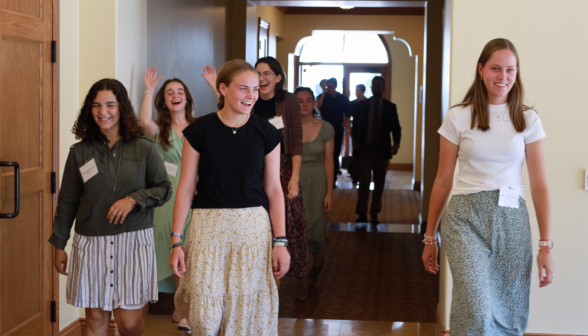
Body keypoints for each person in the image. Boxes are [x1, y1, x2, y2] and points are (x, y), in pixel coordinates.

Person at [421, 38, 554, 335]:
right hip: (464, 217)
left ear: (516, 73)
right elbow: (443, 179)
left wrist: (546, 244)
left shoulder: (528, 120)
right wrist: (430, 237)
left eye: (509, 70)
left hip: (511, 220)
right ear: (481, 70)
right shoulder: (458, 116)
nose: (502, 77)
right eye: (495, 68)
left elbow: (540, 186)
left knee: (508, 307)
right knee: (476, 307)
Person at [170, 59, 290, 335]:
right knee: (205, 315)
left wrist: (280, 241)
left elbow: (274, 189)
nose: (251, 96)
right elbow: (186, 187)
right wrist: (176, 240)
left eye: (255, 89)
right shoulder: (199, 131)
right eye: (243, 89)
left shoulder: (267, 133)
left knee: (245, 314)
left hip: (252, 230)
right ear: (222, 89)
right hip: (207, 228)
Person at [50, 78, 172, 336]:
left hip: (134, 240)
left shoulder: (145, 147)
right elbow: (67, 201)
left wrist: (133, 199)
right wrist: (59, 244)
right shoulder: (80, 152)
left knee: (128, 323)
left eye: (110, 104)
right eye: (96, 105)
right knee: (94, 321)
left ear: (122, 108)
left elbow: (163, 188)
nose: (102, 111)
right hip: (91, 242)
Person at [202, 58, 307, 287]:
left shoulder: (287, 101)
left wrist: (294, 177)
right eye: (258, 73)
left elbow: (296, 140)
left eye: (267, 73)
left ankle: (278, 282)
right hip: (250, 167)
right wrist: (215, 85)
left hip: (280, 167)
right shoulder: (247, 98)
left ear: (278, 78)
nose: (261, 78)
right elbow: (230, 108)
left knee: (284, 224)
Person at [139, 67, 195, 332]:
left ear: (187, 98)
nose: (175, 95)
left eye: (180, 91)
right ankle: (180, 305)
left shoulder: (199, 127)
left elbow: (224, 119)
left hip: (195, 196)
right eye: (170, 92)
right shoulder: (159, 130)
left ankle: (186, 306)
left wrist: (214, 86)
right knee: (172, 249)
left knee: (193, 251)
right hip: (166, 197)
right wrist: (149, 88)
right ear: (164, 100)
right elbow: (142, 121)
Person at [295, 87, 335, 298]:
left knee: (317, 232)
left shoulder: (326, 128)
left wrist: (329, 192)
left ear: (314, 103)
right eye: (300, 101)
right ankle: (301, 277)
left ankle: (317, 264)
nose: (304, 104)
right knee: (298, 231)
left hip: (318, 181)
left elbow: (329, 162)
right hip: (296, 181)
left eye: (308, 100)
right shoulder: (288, 129)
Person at [352, 76, 401, 224]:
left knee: (379, 183)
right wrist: (354, 140)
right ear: (371, 88)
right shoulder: (362, 105)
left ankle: (374, 212)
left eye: (379, 85)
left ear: (384, 88)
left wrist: (396, 143)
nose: (377, 88)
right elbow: (356, 125)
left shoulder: (390, 107)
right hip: (365, 148)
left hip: (382, 149)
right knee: (364, 181)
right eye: (374, 86)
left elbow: (396, 127)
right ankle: (361, 213)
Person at [316, 77, 351, 187]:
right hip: (323, 129)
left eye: (331, 87)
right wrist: (323, 92)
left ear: (335, 86)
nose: (329, 89)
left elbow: (348, 113)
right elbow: (318, 107)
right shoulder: (323, 97)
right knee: (323, 153)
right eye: (327, 87)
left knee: (335, 154)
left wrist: (345, 122)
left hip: (337, 129)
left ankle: (333, 179)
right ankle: (323, 179)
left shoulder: (343, 98)